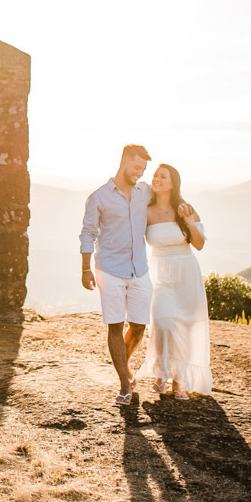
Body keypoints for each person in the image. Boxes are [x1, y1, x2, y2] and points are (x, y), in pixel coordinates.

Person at [79, 145, 153, 405]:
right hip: (109, 269)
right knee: (115, 324)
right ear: (123, 162)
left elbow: (168, 198)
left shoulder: (145, 192)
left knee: (139, 326)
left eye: (143, 170)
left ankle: (125, 365)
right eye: (136, 168)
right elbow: (88, 233)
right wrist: (85, 268)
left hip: (140, 269)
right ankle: (124, 384)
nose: (139, 173)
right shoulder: (98, 197)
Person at [136, 163, 212, 399]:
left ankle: (179, 381)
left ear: (173, 183)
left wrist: (189, 222)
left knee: (185, 326)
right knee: (163, 322)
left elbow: (199, 244)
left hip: (186, 270)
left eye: (163, 176)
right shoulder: (145, 211)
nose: (157, 179)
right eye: (155, 175)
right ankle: (161, 372)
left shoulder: (184, 208)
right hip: (159, 271)